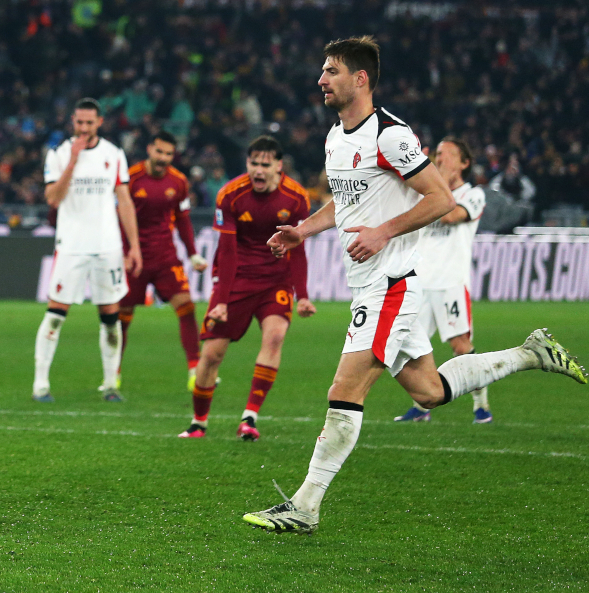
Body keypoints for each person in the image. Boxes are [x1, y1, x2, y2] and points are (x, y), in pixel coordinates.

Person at [243, 37, 585, 535]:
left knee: (345, 388)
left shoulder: (391, 135)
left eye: (331, 71)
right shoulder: (336, 138)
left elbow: (442, 198)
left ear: (360, 79)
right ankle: (532, 354)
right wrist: (303, 230)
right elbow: (346, 200)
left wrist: (383, 233)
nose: (321, 79)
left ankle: (305, 505)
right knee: (428, 391)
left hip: (391, 283)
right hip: (370, 285)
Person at [179, 135, 314, 441]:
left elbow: (299, 248)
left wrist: (303, 296)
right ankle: (199, 422)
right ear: (247, 164)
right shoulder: (230, 195)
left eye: (266, 164)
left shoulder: (296, 198)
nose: (259, 171)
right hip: (236, 278)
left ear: (279, 166)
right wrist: (222, 299)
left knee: (275, 336)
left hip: (274, 280)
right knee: (211, 355)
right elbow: (226, 251)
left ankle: (249, 417)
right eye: (254, 163)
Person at [34, 98, 142, 403]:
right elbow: (53, 198)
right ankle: (40, 385)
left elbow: (124, 200)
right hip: (71, 247)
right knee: (55, 315)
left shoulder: (113, 154)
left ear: (99, 123)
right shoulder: (58, 154)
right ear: (73, 121)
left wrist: (133, 246)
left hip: (107, 246)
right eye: (78, 122)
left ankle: (110, 385)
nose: (83, 128)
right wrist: (72, 161)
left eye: (89, 123)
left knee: (110, 316)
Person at [395, 137, 490, 423]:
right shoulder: (428, 194)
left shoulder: (473, 195)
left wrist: (435, 185)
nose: (441, 159)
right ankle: (422, 408)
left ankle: (481, 407)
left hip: (451, 281)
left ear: (464, 163)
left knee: (461, 346)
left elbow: (450, 217)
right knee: (413, 349)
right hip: (420, 282)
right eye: (437, 154)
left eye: (448, 155)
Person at [116, 131, 208, 390]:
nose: (163, 158)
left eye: (168, 154)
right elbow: (120, 219)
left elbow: (182, 219)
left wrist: (192, 253)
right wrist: (124, 253)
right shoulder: (131, 178)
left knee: (186, 306)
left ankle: (194, 370)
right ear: (149, 149)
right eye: (159, 152)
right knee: (122, 316)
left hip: (165, 256)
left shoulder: (178, 182)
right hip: (134, 258)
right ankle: (113, 373)